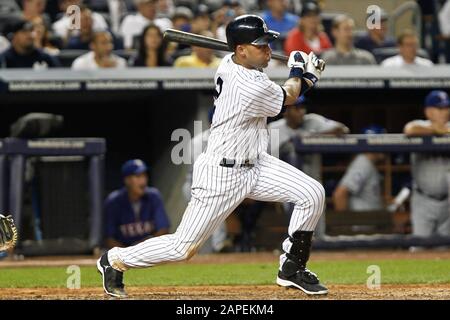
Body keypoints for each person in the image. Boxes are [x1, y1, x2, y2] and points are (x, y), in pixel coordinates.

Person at [97, 14, 328, 298]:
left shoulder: (232, 61)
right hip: (223, 173)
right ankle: (115, 259)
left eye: (269, 44)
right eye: (261, 45)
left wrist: (299, 73)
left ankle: (292, 266)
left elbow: (276, 82)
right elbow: (290, 95)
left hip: (256, 164)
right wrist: (304, 75)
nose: (268, 50)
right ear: (241, 50)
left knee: (312, 193)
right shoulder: (247, 84)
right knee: (182, 248)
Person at [268, 95, 349, 238]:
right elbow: (269, 161)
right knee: (296, 232)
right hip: (287, 186)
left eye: (302, 107)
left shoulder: (313, 121)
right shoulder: (273, 128)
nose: (301, 112)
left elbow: (343, 129)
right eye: (296, 108)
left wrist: (313, 137)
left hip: (313, 183)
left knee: (317, 233)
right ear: (286, 111)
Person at [403, 90, 450, 237]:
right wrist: (435, 130)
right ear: (428, 111)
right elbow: (409, 130)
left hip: (448, 201)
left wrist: (444, 131)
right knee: (419, 246)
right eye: (439, 108)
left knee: (445, 251)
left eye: (446, 108)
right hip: (423, 200)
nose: (444, 112)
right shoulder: (419, 125)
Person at [104, 159, 170, 249]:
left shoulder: (154, 196)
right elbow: (109, 239)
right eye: (138, 176)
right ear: (127, 180)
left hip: (150, 252)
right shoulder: (114, 201)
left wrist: (143, 248)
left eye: (144, 176)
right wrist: (128, 254)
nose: (143, 181)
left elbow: (163, 230)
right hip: (123, 254)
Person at [332, 125, 385, 212]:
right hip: (361, 224)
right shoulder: (362, 163)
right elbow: (340, 194)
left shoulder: (368, 163)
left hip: (370, 222)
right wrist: (343, 223)